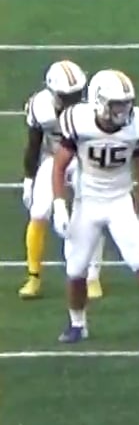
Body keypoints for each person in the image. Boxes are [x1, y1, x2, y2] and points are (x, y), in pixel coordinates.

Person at [48, 70, 139, 346]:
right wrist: (59, 204)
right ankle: (77, 324)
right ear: (98, 102)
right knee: (75, 269)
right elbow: (59, 166)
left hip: (120, 201)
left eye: (126, 104)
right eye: (116, 104)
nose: (123, 110)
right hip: (87, 202)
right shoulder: (78, 121)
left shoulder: (138, 125)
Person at [20, 59, 101, 301]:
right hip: (53, 157)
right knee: (38, 212)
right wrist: (29, 179)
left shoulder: (91, 107)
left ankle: (92, 276)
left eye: (77, 95)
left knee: (91, 211)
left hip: (82, 157)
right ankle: (33, 276)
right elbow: (33, 144)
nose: (74, 101)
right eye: (68, 96)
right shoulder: (41, 107)